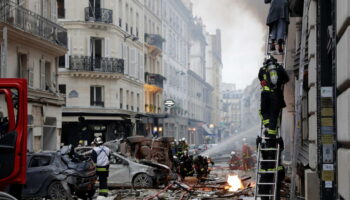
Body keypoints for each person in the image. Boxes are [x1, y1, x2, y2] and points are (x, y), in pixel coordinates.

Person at [258, 57, 289, 138]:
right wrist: (280, 81)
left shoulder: (262, 69)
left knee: (263, 112)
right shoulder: (279, 68)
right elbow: (286, 79)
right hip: (276, 95)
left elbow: (261, 79)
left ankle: (267, 126)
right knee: (274, 115)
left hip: (265, 96)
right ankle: (271, 136)